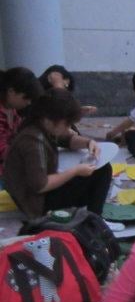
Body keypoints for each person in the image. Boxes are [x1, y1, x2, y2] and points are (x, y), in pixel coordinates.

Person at [3, 89, 112, 219]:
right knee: (103, 170)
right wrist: (75, 171)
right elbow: (40, 185)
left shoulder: (42, 126)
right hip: (37, 203)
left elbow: (67, 140)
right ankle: (95, 219)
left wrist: (88, 142)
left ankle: (94, 215)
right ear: (49, 120)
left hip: (36, 195)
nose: (69, 129)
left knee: (97, 170)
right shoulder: (33, 140)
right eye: (66, 124)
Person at [0, 67, 43, 176]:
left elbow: (20, 132)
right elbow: (3, 149)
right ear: (11, 92)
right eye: (26, 98)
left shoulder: (11, 110)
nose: (28, 103)